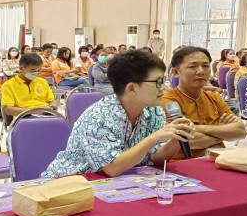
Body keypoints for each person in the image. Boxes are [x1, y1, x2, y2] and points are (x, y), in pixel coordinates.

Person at [42, 50, 193, 178]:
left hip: (119, 181)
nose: (164, 89)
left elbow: (155, 157)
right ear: (132, 88)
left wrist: (176, 138)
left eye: (164, 81)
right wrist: (154, 138)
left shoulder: (153, 110)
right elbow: (112, 168)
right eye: (158, 82)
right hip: (73, 181)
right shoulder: (99, 116)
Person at [163, 47, 246, 159]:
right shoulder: (169, 101)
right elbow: (189, 141)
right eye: (193, 66)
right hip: (182, 164)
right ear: (176, 72)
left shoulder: (213, 98)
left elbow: (240, 131)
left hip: (217, 159)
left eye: (205, 66)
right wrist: (221, 132)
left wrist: (201, 128)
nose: (201, 71)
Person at [1, 53, 56, 121]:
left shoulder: (43, 82)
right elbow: (8, 110)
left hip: (45, 116)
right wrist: (33, 111)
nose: (36, 73)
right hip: (24, 119)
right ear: (21, 68)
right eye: (33, 70)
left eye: (39, 70)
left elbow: (51, 101)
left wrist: (52, 106)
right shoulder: (8, 85)